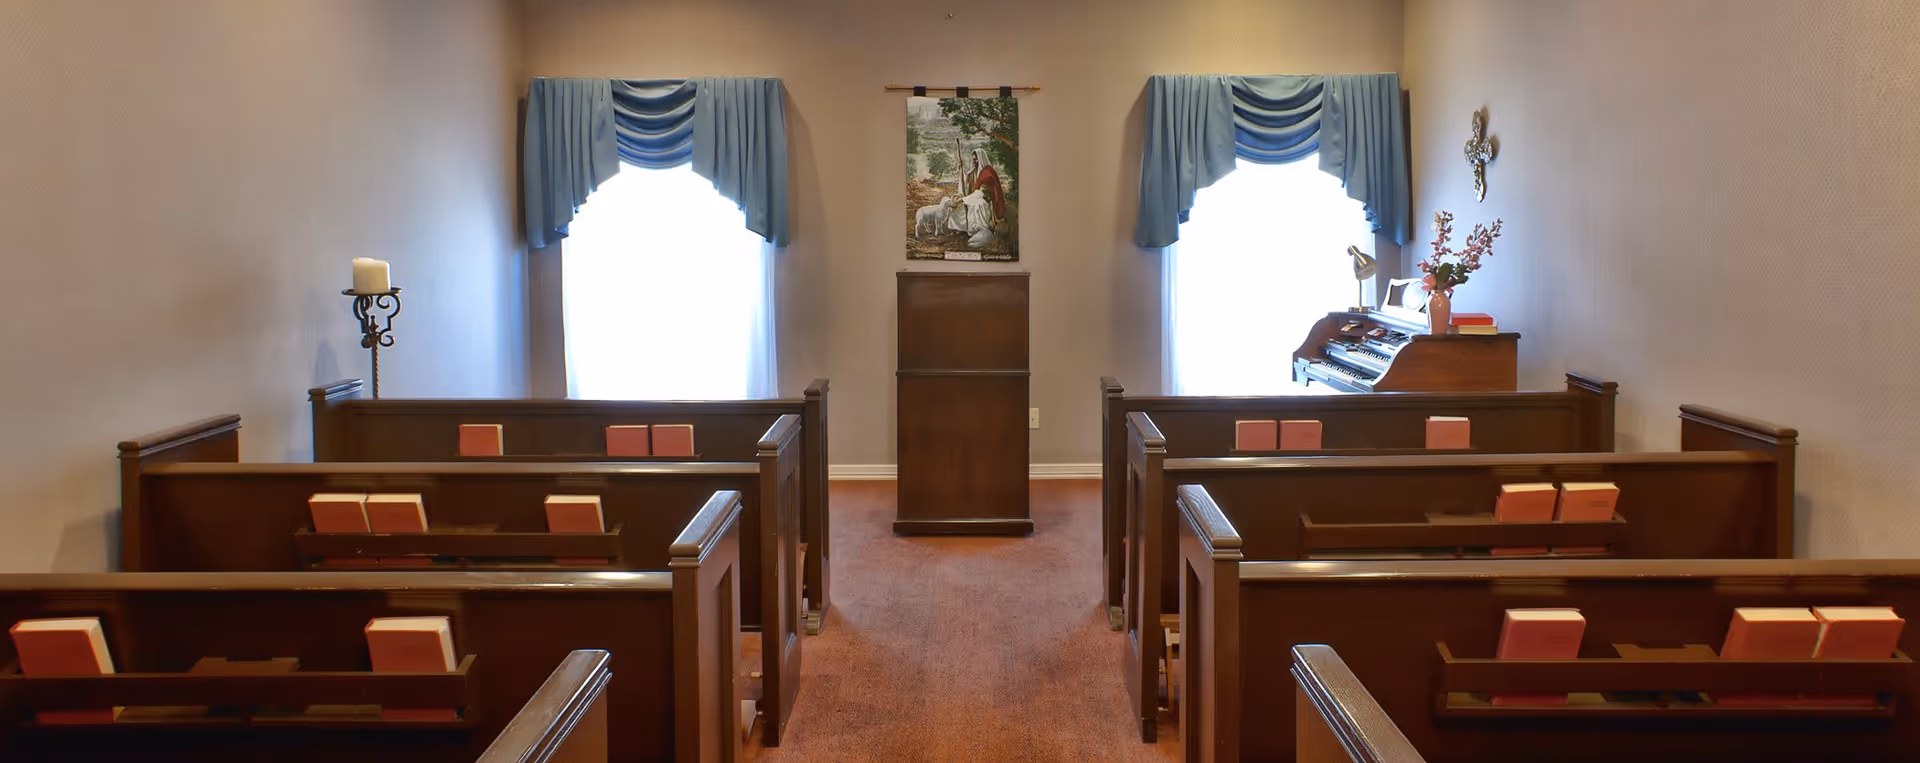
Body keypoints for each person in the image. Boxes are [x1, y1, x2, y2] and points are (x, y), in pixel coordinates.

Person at [969, 148, 1007, 223]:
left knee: (978, 205)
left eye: (976, 159)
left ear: (981, 158)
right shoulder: (976, 170)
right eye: (974, 160)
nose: (975, 162)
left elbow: (993, 187)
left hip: (990, 197)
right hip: (980, 194)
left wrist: (983, 189)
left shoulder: (988, 170)